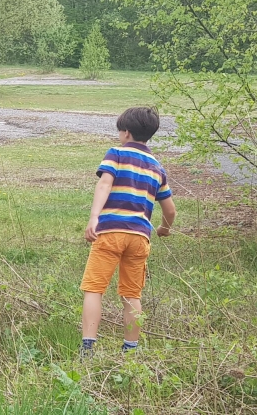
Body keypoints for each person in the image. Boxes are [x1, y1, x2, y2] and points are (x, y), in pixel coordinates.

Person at [80, 106, 176, 356]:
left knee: (94, 289)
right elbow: (170, 210)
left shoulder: (117, 154)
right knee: (132, 295)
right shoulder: (157, 167)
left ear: (125, 132)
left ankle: (88, 348)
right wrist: (164, 229)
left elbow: (104, 183)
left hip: (110, 231)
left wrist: (93, 218)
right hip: (140, 236)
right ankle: (130, 351)